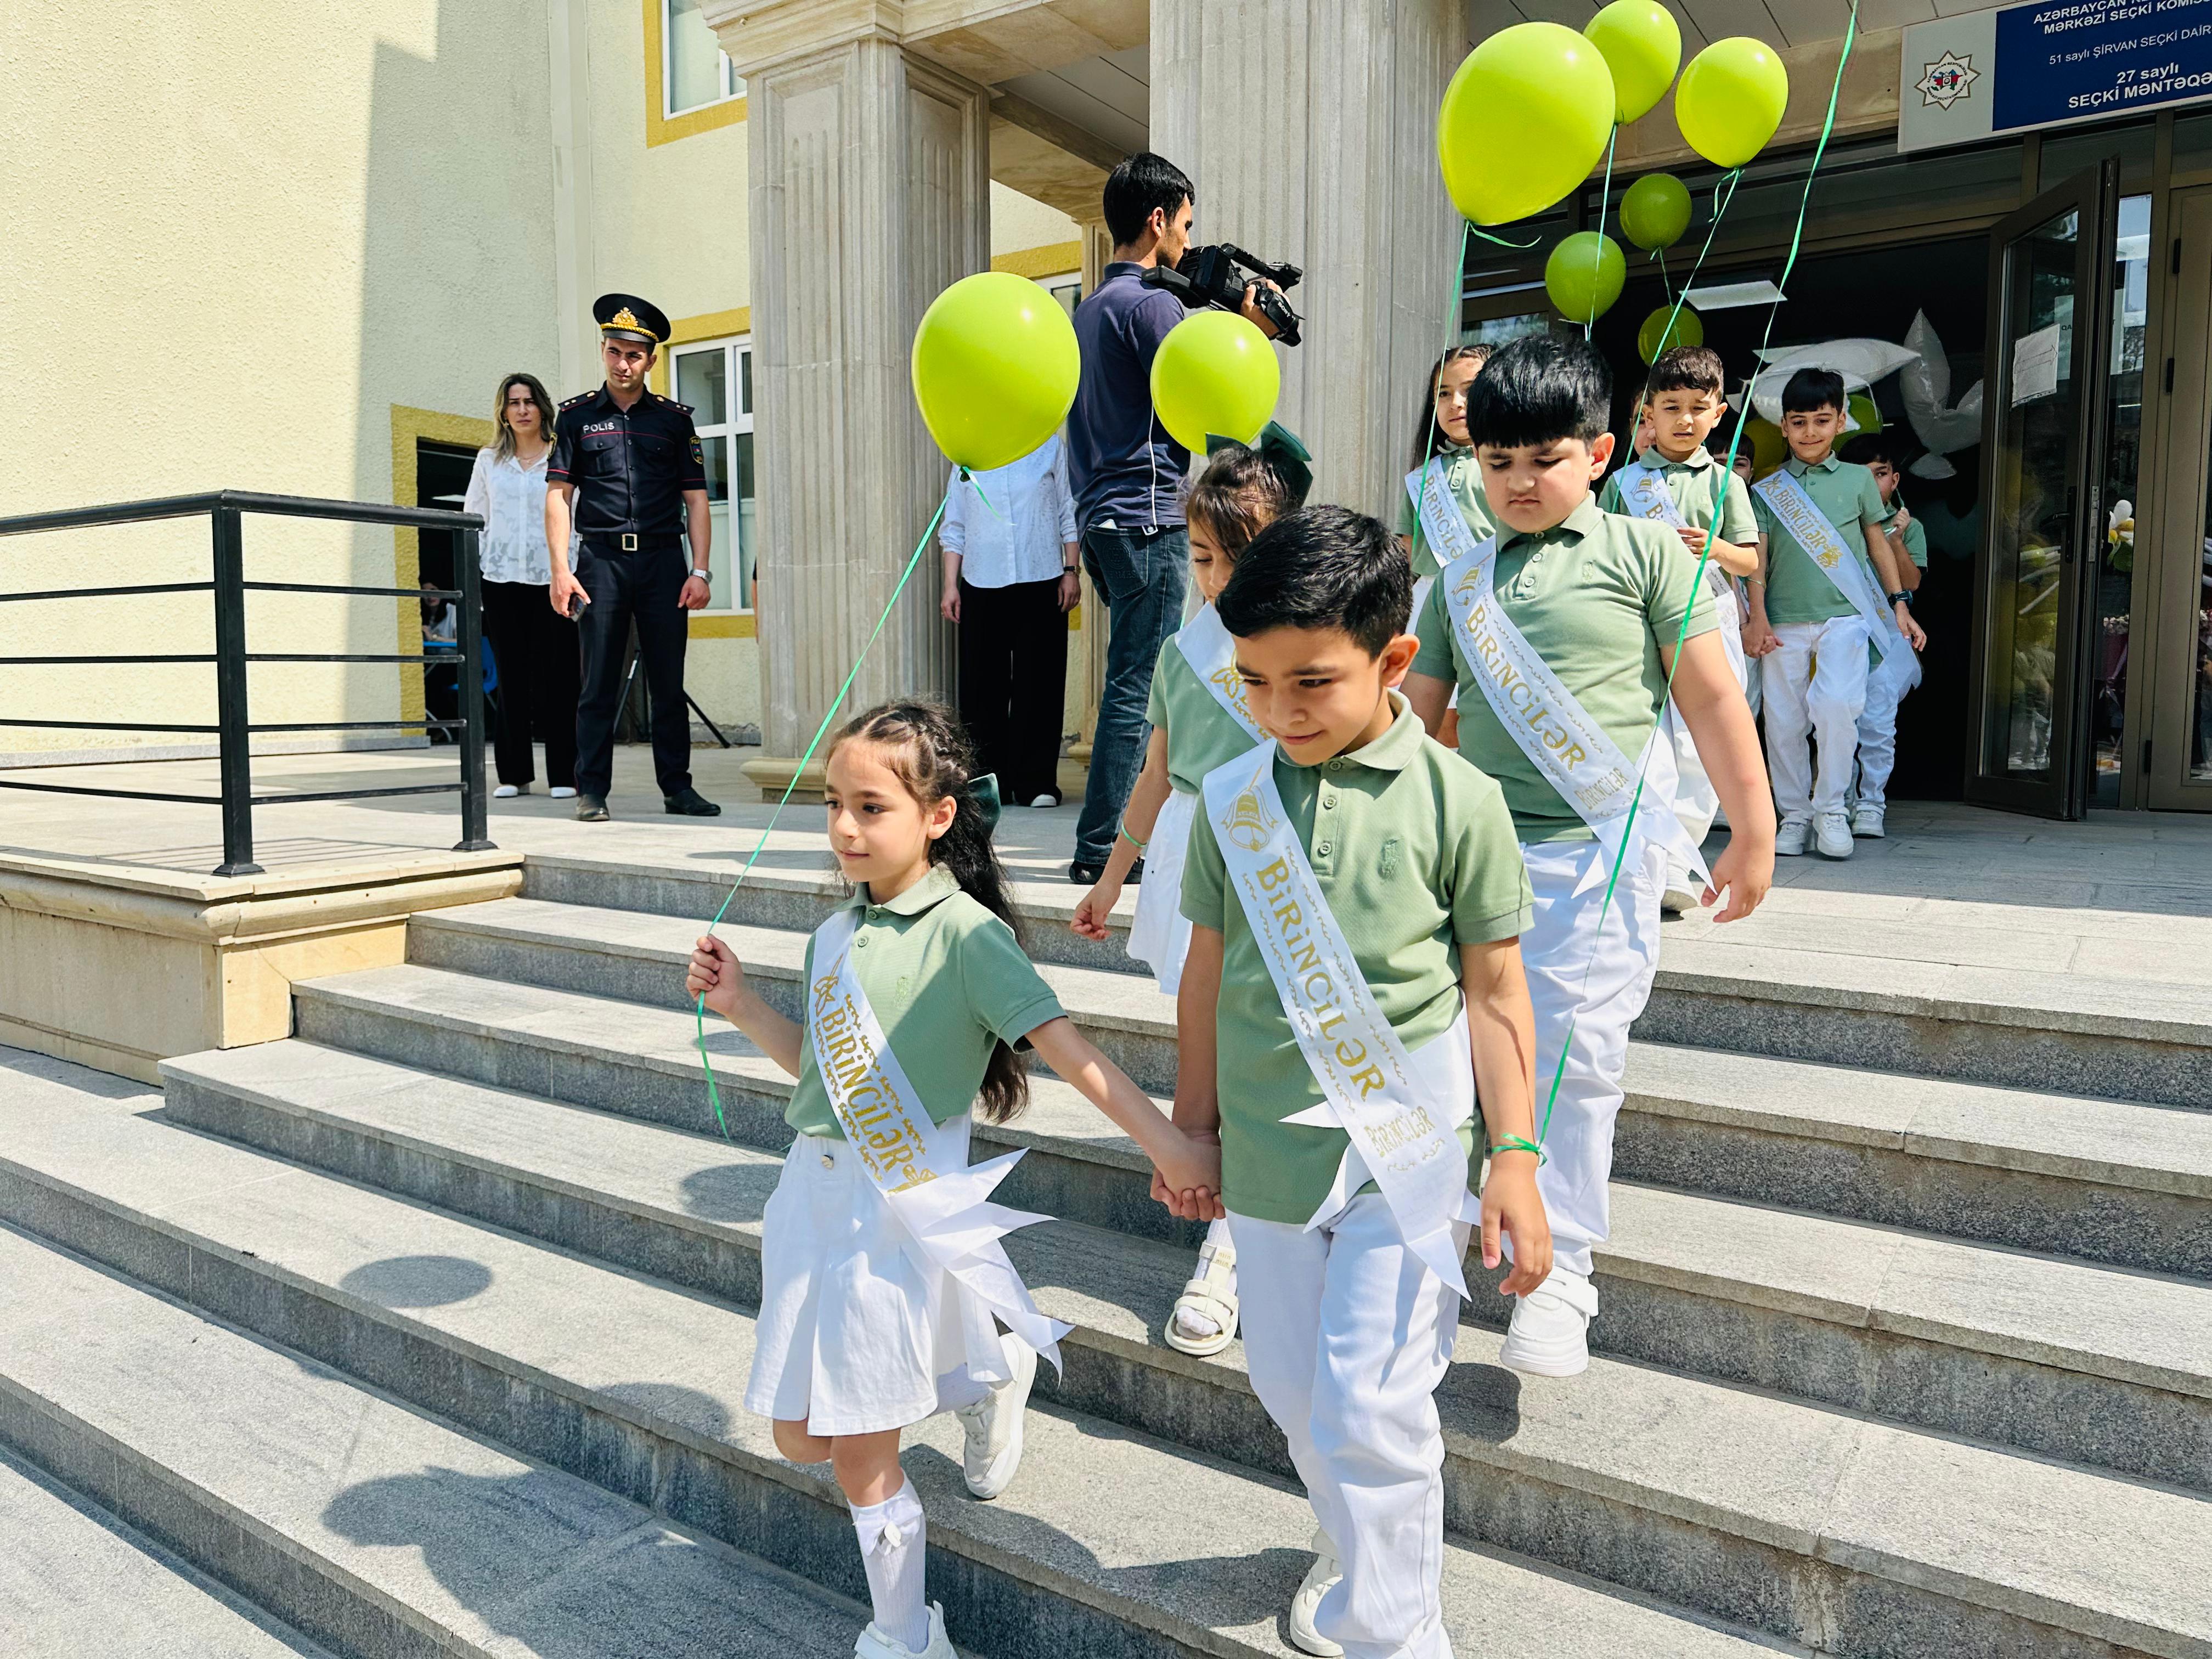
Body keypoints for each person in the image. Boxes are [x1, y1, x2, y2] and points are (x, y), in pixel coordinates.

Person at [686, 701, 1220, 1659]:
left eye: (871, 807)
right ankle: (993, 1374)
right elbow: (820, 1075)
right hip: (808, 1203)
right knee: (799, 1437)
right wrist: (739, 1003)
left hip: (894, 1219)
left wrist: (1170, 1144)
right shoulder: (832, 934)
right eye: (833, 803)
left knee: (859, 1453)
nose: (846, 827)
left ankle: (905, 1635)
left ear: (938, 816)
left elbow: (1072, 1052)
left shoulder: (969, 937)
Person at [1170, 506, 1548, 1659]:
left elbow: (1497, 994)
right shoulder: (1232, 800)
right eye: (1254, 682)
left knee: (1373, 1405)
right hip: (1268, 1158)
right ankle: (1353, 1546)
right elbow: (1205, 974)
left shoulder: (1460, 799)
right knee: (1294, 1392)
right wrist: (1192, 1123)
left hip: (1408, 1151)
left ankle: (1398, 1630)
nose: (1279, 710)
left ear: (1393, 660)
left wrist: (1516, 1158)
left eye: (1312, 682)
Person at [1405, 334, 1774, 1379]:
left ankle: (1560, 1268)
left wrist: (1752, 827)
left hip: (1596, 855)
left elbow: (1711, 697)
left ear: (1602, 452)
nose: (1519, 482)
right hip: (1473, 865)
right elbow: (1413, 725)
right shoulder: (1457, 582)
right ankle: (1443, 1239)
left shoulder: (1649, 554)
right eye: (1498, 462)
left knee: (1576, 1059)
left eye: (1545, 459)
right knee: (1455, 1054)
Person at [1068, 424, 1311, 1359]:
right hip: (1193, 859)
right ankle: (1229, 1224)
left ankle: (1248, 1231)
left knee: (1269, 1040)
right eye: (1202, 556)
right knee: (1209, 1040)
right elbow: (1157, 773)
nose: (1215, 577)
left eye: (1236, 554)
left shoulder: (1310, 646)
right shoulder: (1180, 653)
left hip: (1281, 855)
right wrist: (1110, 877)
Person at [1064, 151, 1279, 884]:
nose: (1190, 238)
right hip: (1148, 514)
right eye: (1186, 223)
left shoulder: (1092, 307)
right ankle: (1104, 847)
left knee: (1130, 677)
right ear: (1158, 220)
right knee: (1139, 686)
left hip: (1101, 519)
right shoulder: (1152, 307)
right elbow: (1210, 392)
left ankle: (1107, 837)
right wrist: (1245, 327)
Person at [545, 293, 720, 822]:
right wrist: (561, 570)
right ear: (604, 351)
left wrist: (700, 570)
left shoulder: (673, 421)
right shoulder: (575, 418)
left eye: (634, 355)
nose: (623, 364)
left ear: (651, 360)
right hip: (601, 563)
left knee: (667, 683)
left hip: (664, 563)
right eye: (615, 352)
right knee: (597, 682)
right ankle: (592, 791)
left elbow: (696, 500)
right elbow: (558, 497)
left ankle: (678, 789)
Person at [1596, 345, 1760, 913]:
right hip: (1639, 618)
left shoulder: (1725, 482)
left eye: (1698, 407)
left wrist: (1715, 548)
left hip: (1706, 616)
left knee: (1696, 742)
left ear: (1718, 413)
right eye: (1671, 407)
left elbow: (1750, 561)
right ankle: (1643, 855)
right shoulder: (1622, 483)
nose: (1685, 419)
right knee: (1647, 737)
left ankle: (1676, 859)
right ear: (1649, 413)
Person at [1740, 368, 1927, 859]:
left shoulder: (1857, 480)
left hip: (1846, 616)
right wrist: (1757, 615)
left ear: (1841, 422)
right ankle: (1795, 816)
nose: (1810, 432)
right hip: (1782, 618)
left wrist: (1899, 604)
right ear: (1783, 426)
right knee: (1783, 722)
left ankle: (1830, 811)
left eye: (1822, 421)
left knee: (1838, 707)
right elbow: (1758, 557)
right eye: (1799, 422)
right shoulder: (1767, 488)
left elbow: (1878, 545)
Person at [939, 433, 1080, 808]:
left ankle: (1036, 782)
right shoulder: (968, 452)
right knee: (981, 687)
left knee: (1041, 683)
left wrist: (1071, 570)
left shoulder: (1049, 446)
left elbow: (1068, 510)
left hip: (1043, 575)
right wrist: (950, 585)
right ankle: (988, 783)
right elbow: (955, 526)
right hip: (981, 580)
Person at [465, 371, 579, 800]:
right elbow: (475, 518)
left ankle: (565, 775)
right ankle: (514, 775)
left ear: (542, 407)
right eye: (514, 403)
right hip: (500, 579)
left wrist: (572, 569)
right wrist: (477, 572)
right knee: (511, 677)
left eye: (529, 401)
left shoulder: (562, 456)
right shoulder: (488, 461)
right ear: (504, 412)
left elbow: (577, 517)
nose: (523, 410)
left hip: (554, 578)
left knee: (559, 678)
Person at [1841, 431, 1927, 839]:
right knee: (1836, 721)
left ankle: (1872, 803)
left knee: (1878, 724)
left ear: (1895, 479)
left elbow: (1912, 582)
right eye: (1860, 474)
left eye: (1879, 474)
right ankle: (1839, 801)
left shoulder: (1910, 526)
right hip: (1839, 631)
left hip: (1887, 637)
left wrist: (1894, 539)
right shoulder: (1831, 519)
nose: (1871, 483)